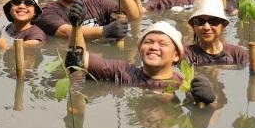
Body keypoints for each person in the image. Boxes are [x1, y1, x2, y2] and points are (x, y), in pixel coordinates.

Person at [71, 21, 216, 105]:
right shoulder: (123, 72)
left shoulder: (184, 85)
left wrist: (209, 100)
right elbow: (77, 59)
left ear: (176, 55)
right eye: (148, 42)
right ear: (140, 49)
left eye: (162, 44)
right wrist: (75, 26)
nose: (153, 47)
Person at [183, 0, 249, 66]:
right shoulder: (186, 54)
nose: (206, 27)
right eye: (199, 21)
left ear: (223, 25)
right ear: (193, 26)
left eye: (213, 21)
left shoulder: (238, 54)